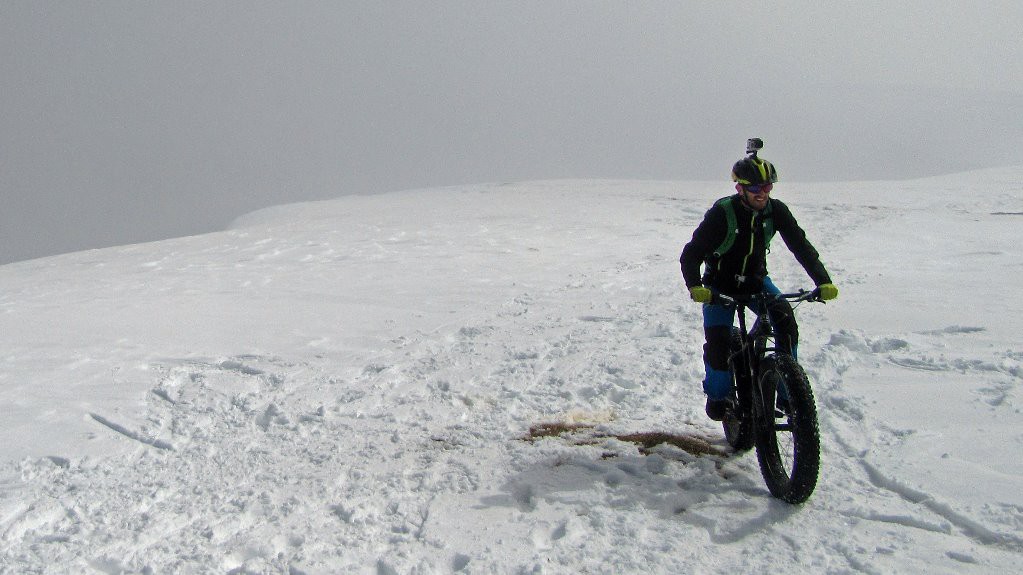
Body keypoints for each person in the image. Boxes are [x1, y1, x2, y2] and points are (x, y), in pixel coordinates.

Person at [680, 143, 838, 421]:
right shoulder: (722, 213)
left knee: (785, 320)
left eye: (767, 187)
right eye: (756, 188)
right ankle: (719, 395)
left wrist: (822, 280)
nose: (762, 194)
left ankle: (788, 395)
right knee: (718, 345)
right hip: (719, 286)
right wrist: (696, 287)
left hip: (756, 283)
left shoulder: (775, 212)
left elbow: (801, 247)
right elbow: (690, 254)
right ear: (740, 188)